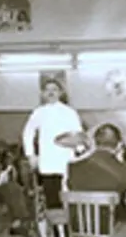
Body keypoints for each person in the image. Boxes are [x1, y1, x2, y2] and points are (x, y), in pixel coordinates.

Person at [22, 79, 83, 209]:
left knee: (67, 198)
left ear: (60, 93)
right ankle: (56, 229)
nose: (51, 93)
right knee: (52, 200)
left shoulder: (69, 112)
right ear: (43, 94)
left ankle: (67, 228)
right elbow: (28, 132)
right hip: (47, 162)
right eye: (47, 90)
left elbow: (78, 135)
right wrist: (31, 154)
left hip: (66, 161)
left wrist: (80, 150)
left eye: (54, 89)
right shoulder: (39, 112)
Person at [66, 124, 126, 223]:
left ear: (95, 143)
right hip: (115, 232)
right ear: (119, 145)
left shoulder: (73, 167)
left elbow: (69, 186)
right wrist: (121, 161)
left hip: (80, 232)